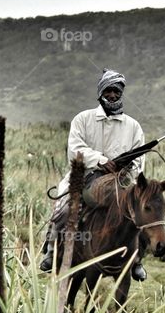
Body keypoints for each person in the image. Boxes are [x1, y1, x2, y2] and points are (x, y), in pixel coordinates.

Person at [39, 69, 148, 280]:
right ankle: (52, 251)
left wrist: (126, 171)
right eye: (108, 90)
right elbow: (75, 149)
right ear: (100, 93)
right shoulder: (83, 119)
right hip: (85, 176)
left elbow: (139, 159)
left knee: (143, 214)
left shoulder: (133, 126)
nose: (113, 95)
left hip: (121, 182)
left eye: (116, 91)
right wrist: (100, 161)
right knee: (63, 208)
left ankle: (136, 260)